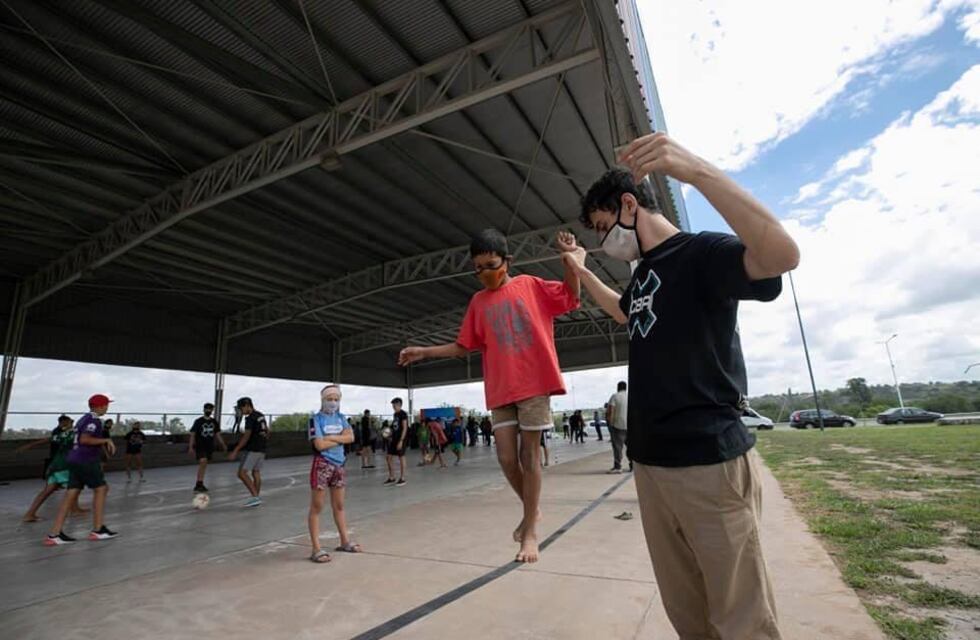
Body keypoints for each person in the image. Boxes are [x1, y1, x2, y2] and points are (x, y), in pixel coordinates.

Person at [566, 133, 799, 640]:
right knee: (687, 613)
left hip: (706, 464)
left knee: (741, 616)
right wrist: (582, 273)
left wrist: (697, 171)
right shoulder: (646, 274)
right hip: (652, 466)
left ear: (629, 205)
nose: (607, 242)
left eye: (605, 228)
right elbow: (624, 310)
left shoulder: (701, 254)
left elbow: (782, 254)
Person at [398, 228, 580, 563]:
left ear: (507, 261)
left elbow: (569, 295)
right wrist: (425, 352)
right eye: (478, 268)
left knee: (529, 458)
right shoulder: (478, 303)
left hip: (534, 384)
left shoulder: (530, 285)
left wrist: (569, 261)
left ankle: (530, 533)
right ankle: (532, 508)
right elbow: (463, 345)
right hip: (500, 388)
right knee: (506, 459)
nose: (484, 273)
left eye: (491, 265)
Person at [45, 394, 119, 545]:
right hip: (86, 459)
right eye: (105, 405)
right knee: (101, 488)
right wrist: (106, 440)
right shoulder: (93, 420)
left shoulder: (83, 419)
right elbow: (85, 439)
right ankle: (98, 529)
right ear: (99, 406)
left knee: (71, 493)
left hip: (74, 459)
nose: (107, 407)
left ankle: (55, 534)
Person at [307, 384, 361, 563]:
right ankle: (316, 548)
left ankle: (344, 541)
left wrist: (330, 438)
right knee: (317, 507)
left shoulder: (341, 418)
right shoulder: (315, 419)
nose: (333, 402)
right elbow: (319, 445)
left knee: (339, 506)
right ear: (323, 399)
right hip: (322, 464)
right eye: (329, 399)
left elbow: (351, 438)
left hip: (339, 465)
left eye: (336, 399)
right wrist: (340, 439)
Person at [19, 415, 86, 522]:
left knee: (47, 491)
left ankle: (30, 513)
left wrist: (29, 445)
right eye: (70, 422)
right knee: (74, 486)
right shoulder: (73, 434)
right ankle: (73, 510)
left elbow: (45, 440)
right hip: (65, 466)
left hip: (55, 466)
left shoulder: (59, 434)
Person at [228, 397, 268, 507]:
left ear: (247, 405)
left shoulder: (250, 418)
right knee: (256, 472)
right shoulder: (261, 415)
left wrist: (235, 450)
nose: (241, 411)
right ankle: (256, 498)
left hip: (253, 449)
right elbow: (268, 431)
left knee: (241, 473)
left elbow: (246, 436)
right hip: (262, 448)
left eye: (241, 408)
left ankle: (255, 497)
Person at [189, 403, 227, 492]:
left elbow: (217, 434)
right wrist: (190, 446)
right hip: (200, 445)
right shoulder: (198, 421)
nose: (208, 411)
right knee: (203, 461)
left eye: (210, 409)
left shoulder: (214, 422)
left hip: (209, 446)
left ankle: (199, 482)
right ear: (204, 410)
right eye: (207, 409)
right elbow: (193, 434)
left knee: (204, 464)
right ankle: (199, 483)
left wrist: (223, 444)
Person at [384, 398, 408, 486]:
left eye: (394, 404)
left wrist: (401, 441)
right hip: (394, 439)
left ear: (399, 404)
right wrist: (388, 434)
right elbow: (394, 427)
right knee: (388, 457)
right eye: (392, 404)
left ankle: (402, 478)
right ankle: (392, 477)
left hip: (401, 439)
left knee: (401, 457)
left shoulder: (403, 414)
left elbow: (404, 428)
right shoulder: (395, 414)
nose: (393, 406)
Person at [607, 381, 630, 473]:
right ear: (626, 387)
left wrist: (610, 423)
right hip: (630, 426)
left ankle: (618, 467)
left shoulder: (615, 396)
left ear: (618, 387)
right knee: (631, 446)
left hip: (617, 426)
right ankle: (632, 465)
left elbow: (610, 411)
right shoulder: (630, 396)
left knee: (617, 447)